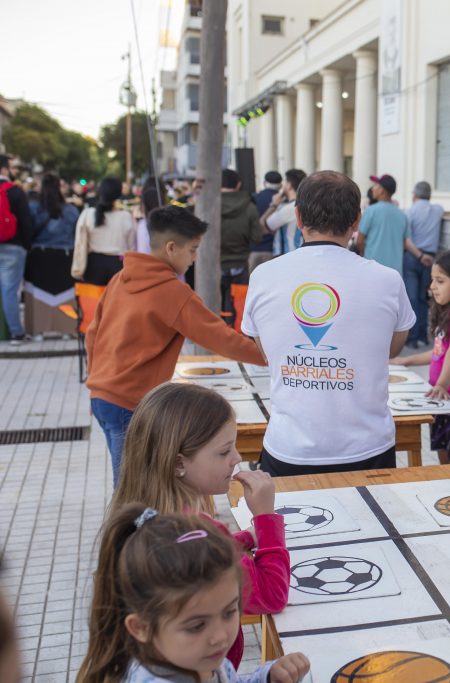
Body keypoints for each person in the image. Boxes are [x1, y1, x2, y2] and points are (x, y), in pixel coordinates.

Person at [242, 171, 415, 476]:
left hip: (289, 446)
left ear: (297, 216)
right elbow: (391, 348)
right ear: (357, 220)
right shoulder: (387, 280)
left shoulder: (263, 276)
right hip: (368, 447)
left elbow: (266, 348)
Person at [111, 382, 289, 670]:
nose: (237, 459)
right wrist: (265, 518)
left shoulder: (150, 517)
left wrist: (242, 539)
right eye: (223, 452)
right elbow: (272, 595)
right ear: (178, 463)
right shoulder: (198, 534)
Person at [86, 206, 266, 483]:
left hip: (101, 395)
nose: (195, 258)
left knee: (133, 484)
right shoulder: (172, 291)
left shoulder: (120, 279)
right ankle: (132, 529)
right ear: (171, 248)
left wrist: (97, 380)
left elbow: (92, 334)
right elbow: (222, 339)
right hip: (132, 404)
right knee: (135, 491)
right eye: (192, 250)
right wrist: (273, 356)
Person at [76, 504, 309, 683]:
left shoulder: (198, 659)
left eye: (229, 612)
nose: (220, 636)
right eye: (197, 626)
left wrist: (267, 677)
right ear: (141, 628)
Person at [392, 249, 450, 464]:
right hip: (443, 396)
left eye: (440, 281)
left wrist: (442, 383)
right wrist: (404, 360)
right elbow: (439, 352)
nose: (432, 286)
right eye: (432, 280)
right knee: (444, 458)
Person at [24, 173, 79, 337]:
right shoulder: (71, 210)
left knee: (37, 295)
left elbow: (28, 230)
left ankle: (38, 330)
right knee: (65, 293)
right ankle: (67, 329)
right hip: (65, 256)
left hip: (39, 256)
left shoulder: (34, 208)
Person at [72, 177, 137, 286]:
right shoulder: (126, 217)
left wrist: (78, 268)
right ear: (119, 193)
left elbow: (80, 244)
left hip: (93, 266)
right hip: (118, 266)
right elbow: (131, 247)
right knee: (116, 302)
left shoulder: (87, 214)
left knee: (93, 302)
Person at [219, 169, 263, 328]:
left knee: (217, 302)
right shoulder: (249, 207)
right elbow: (257, 237)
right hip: (240, 263)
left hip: (216, 265)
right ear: (238, 185)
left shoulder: (210, 206)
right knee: (239, 304)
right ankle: (237, 335)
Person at [402, 181, 443, 348]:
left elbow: (406, 239)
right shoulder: (438, 210)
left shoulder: (409, 211)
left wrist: (419, 256)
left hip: (413, 256)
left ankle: (412, 338)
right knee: (423, 297)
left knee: (411, 298)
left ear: (414, 195)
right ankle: (423, 336)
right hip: (430, 259)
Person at [357, 173, 424, 274]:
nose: (373, 189)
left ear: (382, 190)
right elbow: (404, 244)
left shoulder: (370, 211)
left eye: (376, 186)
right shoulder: (402, 215)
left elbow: (360, 241)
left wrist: (363, 253)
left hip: (373, 270)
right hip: (395, 272)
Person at [0, 154, 34, 344]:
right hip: (13, 247)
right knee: (9, 290)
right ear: (4, 169)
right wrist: (26, 245)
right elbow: (26, 222)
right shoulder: (15, 192)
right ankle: (16, 333)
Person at [260, 168, 306, 256]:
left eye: (284, 182)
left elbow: (262, 228)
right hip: (299, 253)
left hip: (287, 254)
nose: (282, 185)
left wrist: (273, 205)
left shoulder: (289, 208)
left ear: (289, 185)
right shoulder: (305, 205)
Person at [250, 170, 281, 271]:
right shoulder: (283, 201)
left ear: (264, 183)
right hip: (274, 250)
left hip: (253, 248)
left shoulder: (253, 198)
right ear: (281, 185)